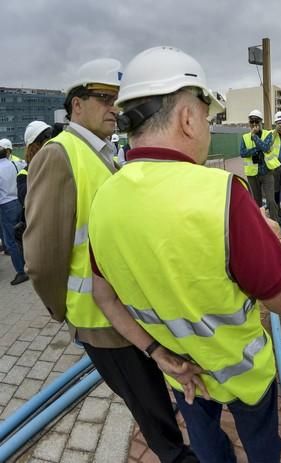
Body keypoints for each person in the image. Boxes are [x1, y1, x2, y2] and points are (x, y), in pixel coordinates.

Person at [87, 46, 281, 463]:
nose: (206, 126)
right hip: (243, 375)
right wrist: (275, 239)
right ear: (188, 117)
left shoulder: (104, 198)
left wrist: (156, 352)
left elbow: (103, 296)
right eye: (206, 116)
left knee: (205, 445)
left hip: (181, 370)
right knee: (261, 444)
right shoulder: (221, 196)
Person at [23, 58, 196, 463]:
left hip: (123, 311)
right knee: (149, 407)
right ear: (75, 104)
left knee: (154, 392)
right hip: (99, 320)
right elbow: (42, 257)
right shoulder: (60, 155)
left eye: (117, 99)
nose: (113, 107)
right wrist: (61, 309)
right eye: (103, 97)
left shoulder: (102, 153)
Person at [14, 121, 53, 246]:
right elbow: (29, 199)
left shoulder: (55, 165)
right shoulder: (23, 175)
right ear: (34, 145)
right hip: (38, 236)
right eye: (46, 138)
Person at [240, 109, 280, 222]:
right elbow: (242, 153)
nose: (254, 124)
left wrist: (255, 137)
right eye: (251, 122)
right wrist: (257, 149)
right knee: (256, 202)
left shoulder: (268, 134)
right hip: (253, 174)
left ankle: (275, 225)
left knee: (271, 201)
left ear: (261, 122)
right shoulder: (244, 137)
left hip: (267, 172)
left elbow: (266, 148)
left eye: (256, 122)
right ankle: (260, 225)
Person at [0, 139, 28, 285]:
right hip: (18, 201)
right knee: (22, 235)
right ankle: (29, 262)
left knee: (11, 240)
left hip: (5, 205)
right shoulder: (16, 163)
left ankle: (21, 271)